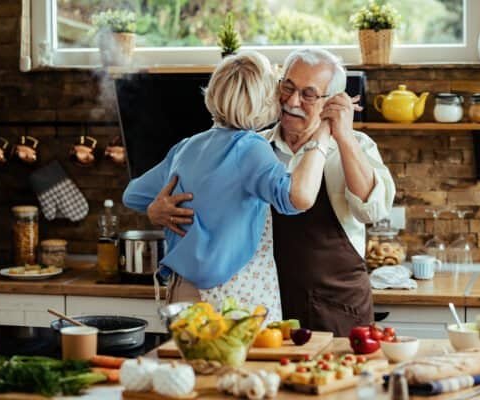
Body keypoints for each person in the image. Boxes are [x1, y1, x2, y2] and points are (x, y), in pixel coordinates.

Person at [147, 49, 396, 336]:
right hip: (261, 305)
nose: (292, 101)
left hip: (334, 308)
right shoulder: (251, 147)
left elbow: (372, 211)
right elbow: (199, 201)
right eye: (287, 87)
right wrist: (155, 210)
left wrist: (342, 135)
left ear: (330, 101)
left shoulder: (355, 145)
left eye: (309, 94)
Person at [122, 51, 331, 322]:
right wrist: (323, 134)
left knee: (187, 365)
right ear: (264, 100)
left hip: (181, 291)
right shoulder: (250, 147)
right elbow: (296, 199)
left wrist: (155, 210)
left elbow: (132, 195)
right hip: (232, 299)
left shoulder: (186, 147)